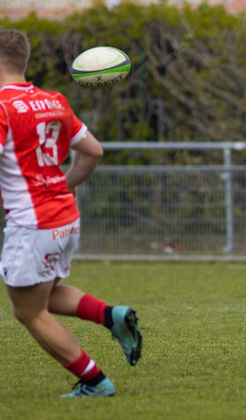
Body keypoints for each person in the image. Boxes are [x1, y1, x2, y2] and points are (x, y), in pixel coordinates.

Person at [0, 29, 142, 397]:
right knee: (44, 296)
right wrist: (64, 183)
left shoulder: (2, 107)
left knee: (28, 312)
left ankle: (95, 381)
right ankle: (111, 315)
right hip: (65, 216)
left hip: (33, 223)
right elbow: (93, 151)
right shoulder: (54, 101)